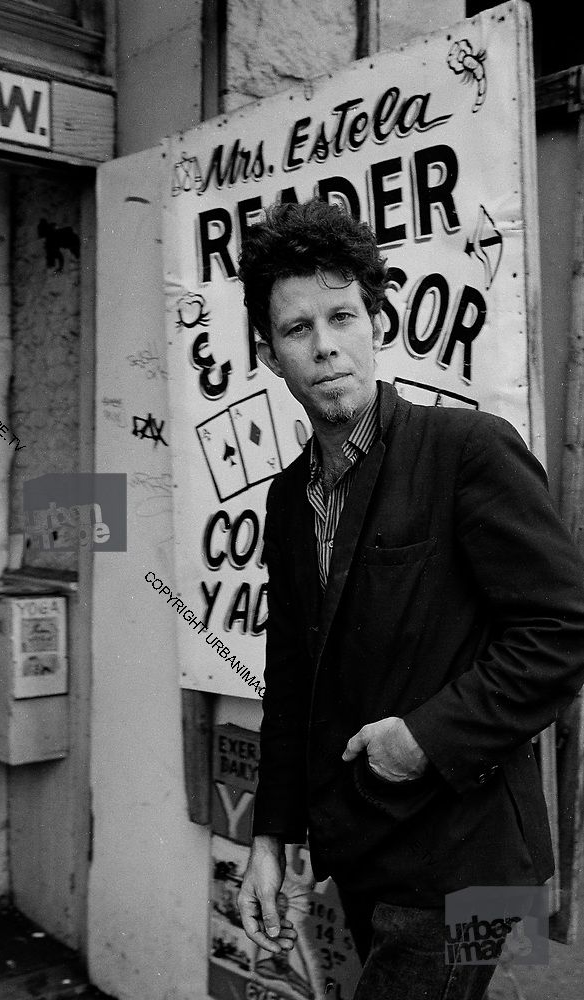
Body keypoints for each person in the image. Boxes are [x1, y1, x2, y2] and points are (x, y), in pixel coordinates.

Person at [234, 199, 584, 999]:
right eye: (297, 330)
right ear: (268, 353)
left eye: (342, 316)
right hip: (365, 857)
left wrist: (424, 737)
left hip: (469, 857)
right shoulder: (289, 501)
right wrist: (270, 834)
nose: (324, 346)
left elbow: (561, 632)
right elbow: (292, 681)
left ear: (377, 323)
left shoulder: (465, 450)